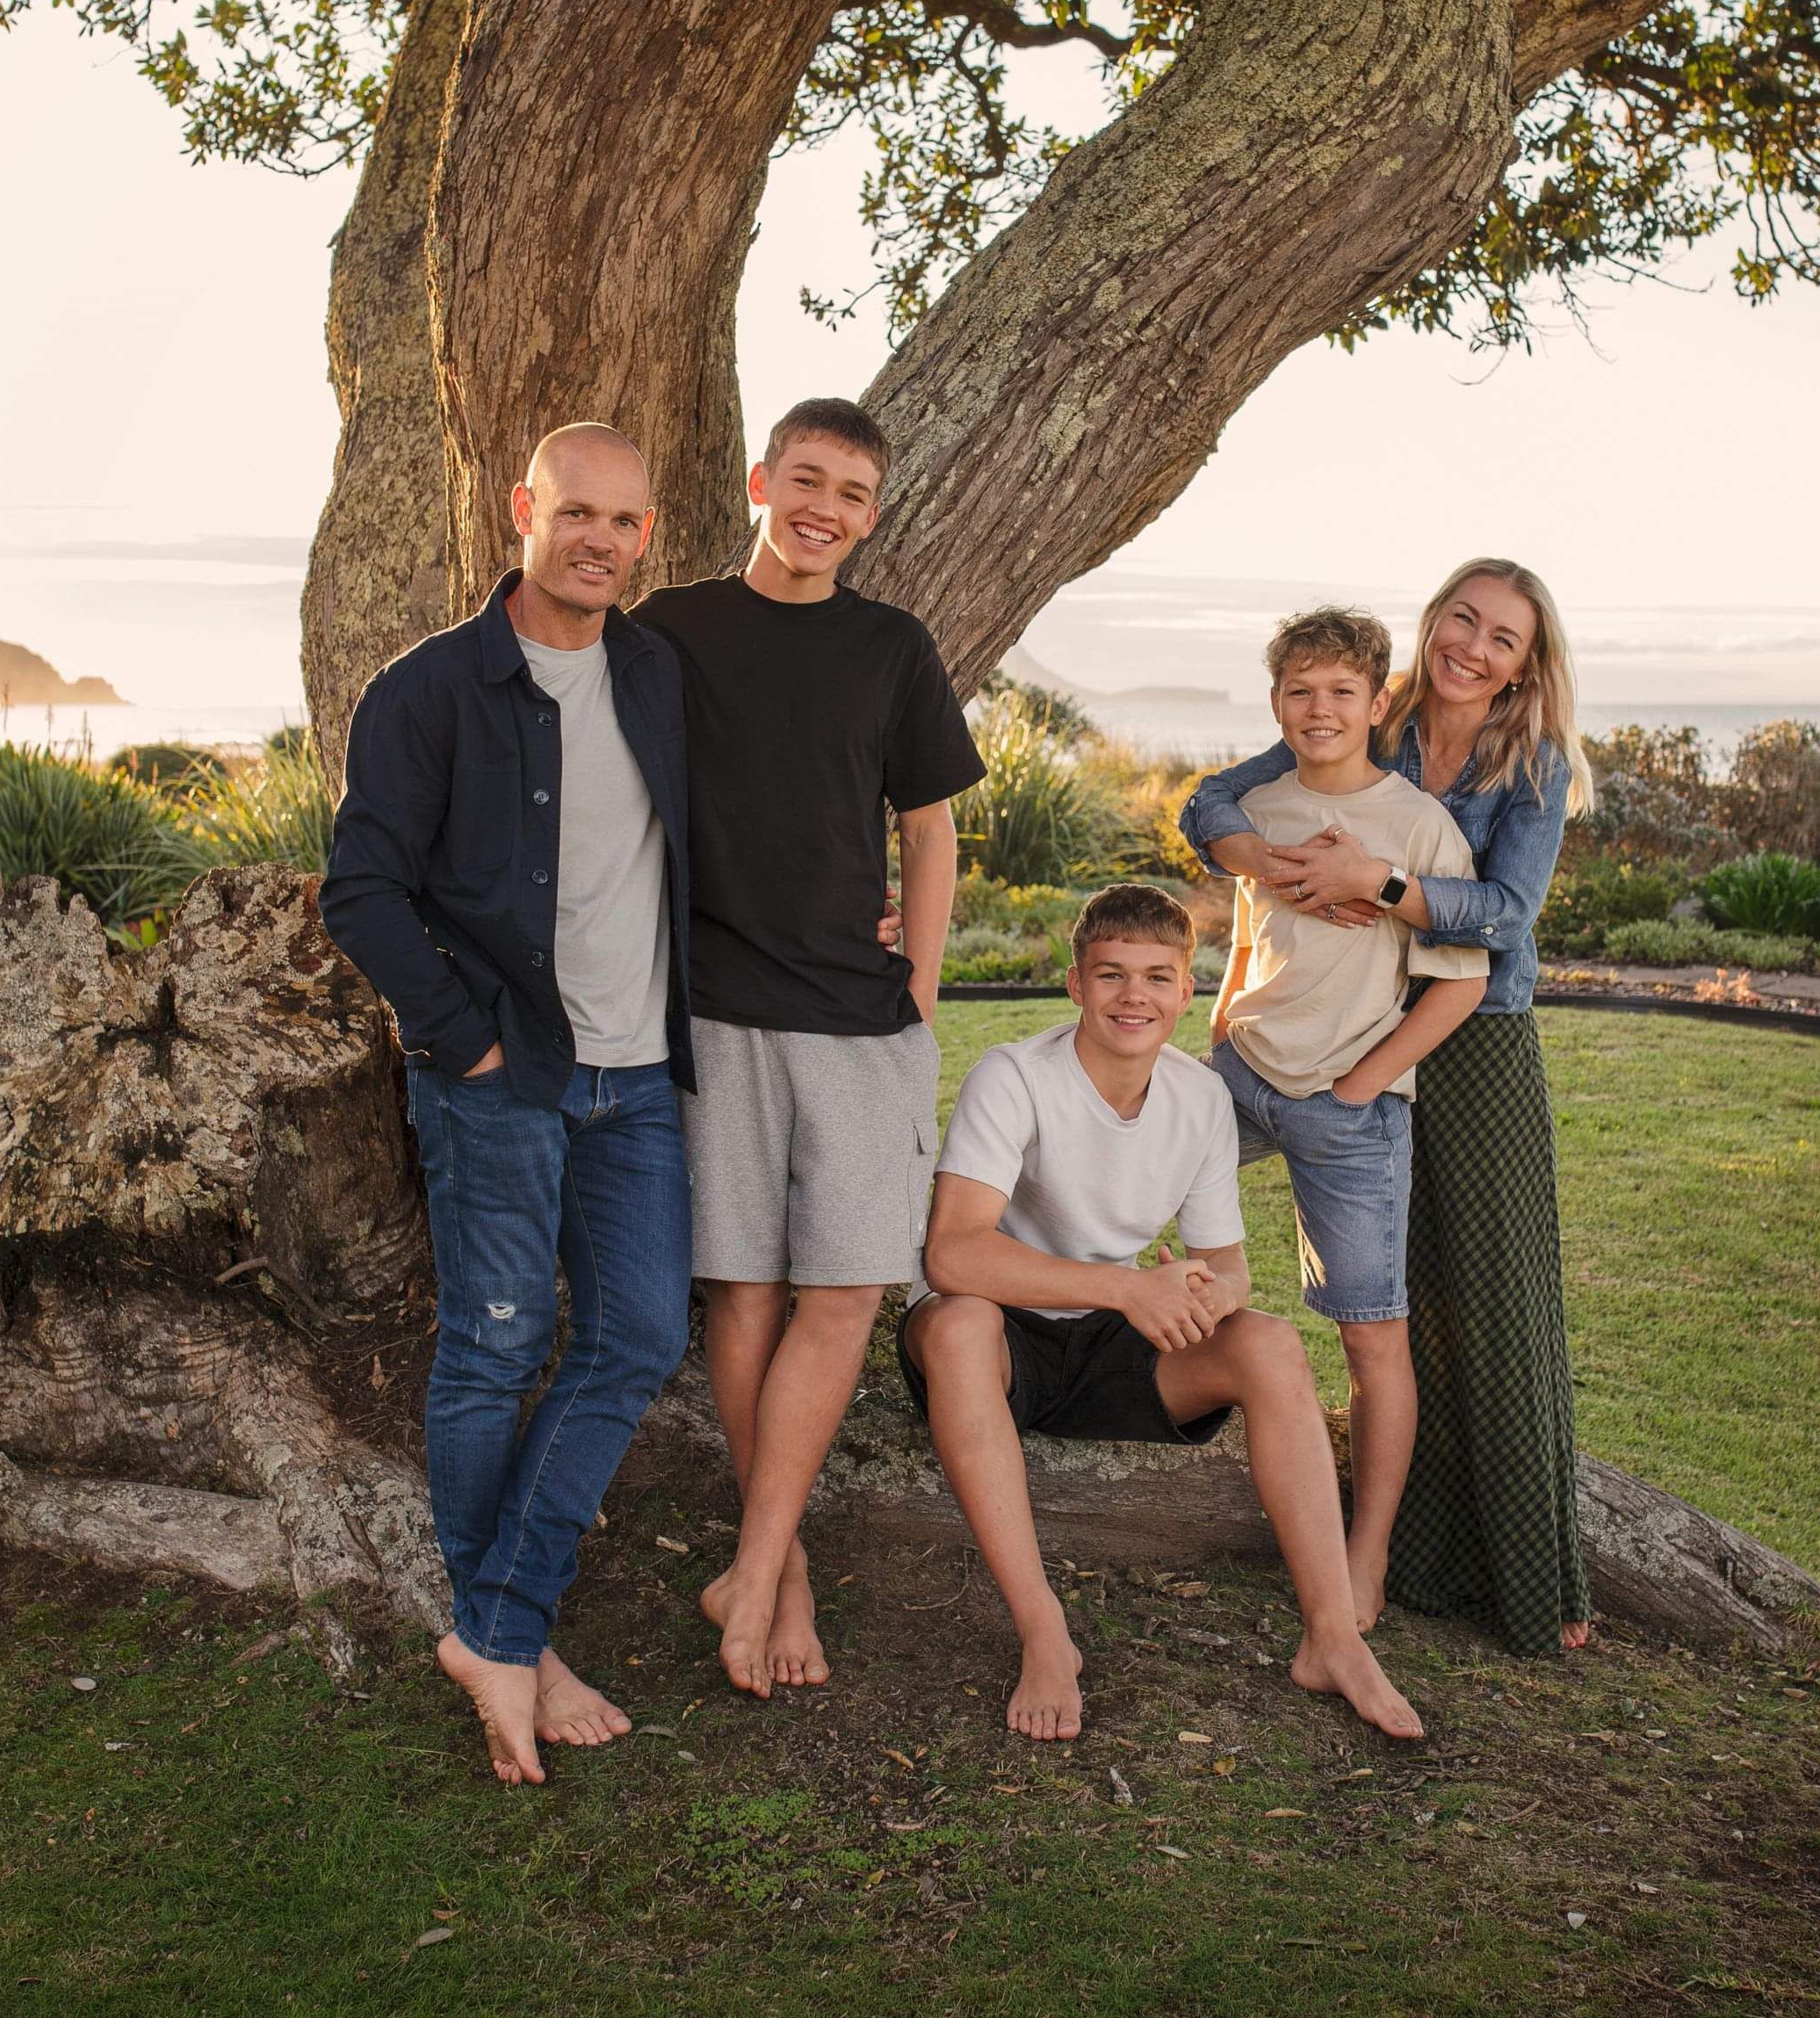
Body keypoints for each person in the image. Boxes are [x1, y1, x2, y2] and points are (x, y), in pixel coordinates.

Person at [320, 423, 696, 1786]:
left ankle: (495, 1631)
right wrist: (467, 1043)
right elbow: (360, 888)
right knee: (494, 1348)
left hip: (637, 1076)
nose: (601, 539)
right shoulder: (427, 691)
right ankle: (514, 1641)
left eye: (625, 520)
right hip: (502, 1077)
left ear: (647, 536)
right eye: (577, 512)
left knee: (639, 1334)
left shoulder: (655, 675)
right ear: (522, 509)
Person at [1178, 559, 1599, 1658]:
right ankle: (1397, 1542)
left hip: (1469, 1040)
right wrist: (1267, 866)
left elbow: (1501, 916)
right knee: (1397, 1299)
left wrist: (1378, 885)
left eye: (1503, 637)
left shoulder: (1532, 764)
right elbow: (1214, 804)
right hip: (1339, 1029)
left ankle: (1525, 1567)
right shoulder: (1374, 711)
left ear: (1525, 665)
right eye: (1463, 618)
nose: (1474, 646)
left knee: (1485, 1291)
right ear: (1432, 621)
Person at [631, 398, 986, 1700]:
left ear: (872, 517)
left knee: (843, 1292)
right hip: (716, 1009)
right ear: (759, 481)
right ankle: (778, 1580)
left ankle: (758, 1563)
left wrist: (922, 991)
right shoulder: (670, 631)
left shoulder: (891, 647)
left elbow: (930, 831)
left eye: (852, 494)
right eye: (808, 479)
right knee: (745, 1293)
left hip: (859, 1020)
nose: (825, 508)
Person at [903, 884, 1424, 1744]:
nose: (1132, 996)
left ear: (1187, 991)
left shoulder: (1200, 1097)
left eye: (1155, 978)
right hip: (998, 1335)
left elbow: (1230, 1267)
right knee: (958, 1324)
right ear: (1076, 984)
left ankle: (1332, 1638)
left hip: (1114, 1342)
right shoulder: (1014, 1075)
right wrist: (1127, 1289)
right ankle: (1044, 1630)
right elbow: (952, 1255)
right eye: (1111, 974)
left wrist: (1204, 1293)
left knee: (1269, 1346)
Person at [1204, 608, 1489, 1635]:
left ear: (1378, 704)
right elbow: (1249, 938)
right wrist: (1220, 1029)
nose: (1318, 709)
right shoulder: (1257, 809)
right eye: (1299, 691)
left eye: (1340, 692)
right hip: (1241, 1077)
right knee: (1122, 1204)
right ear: (1276, 703)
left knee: (1373, 1338)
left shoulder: (1418, 827)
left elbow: (1461, 983)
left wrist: (1366, 1085)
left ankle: (1365, 1557)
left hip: (1349, 1109)